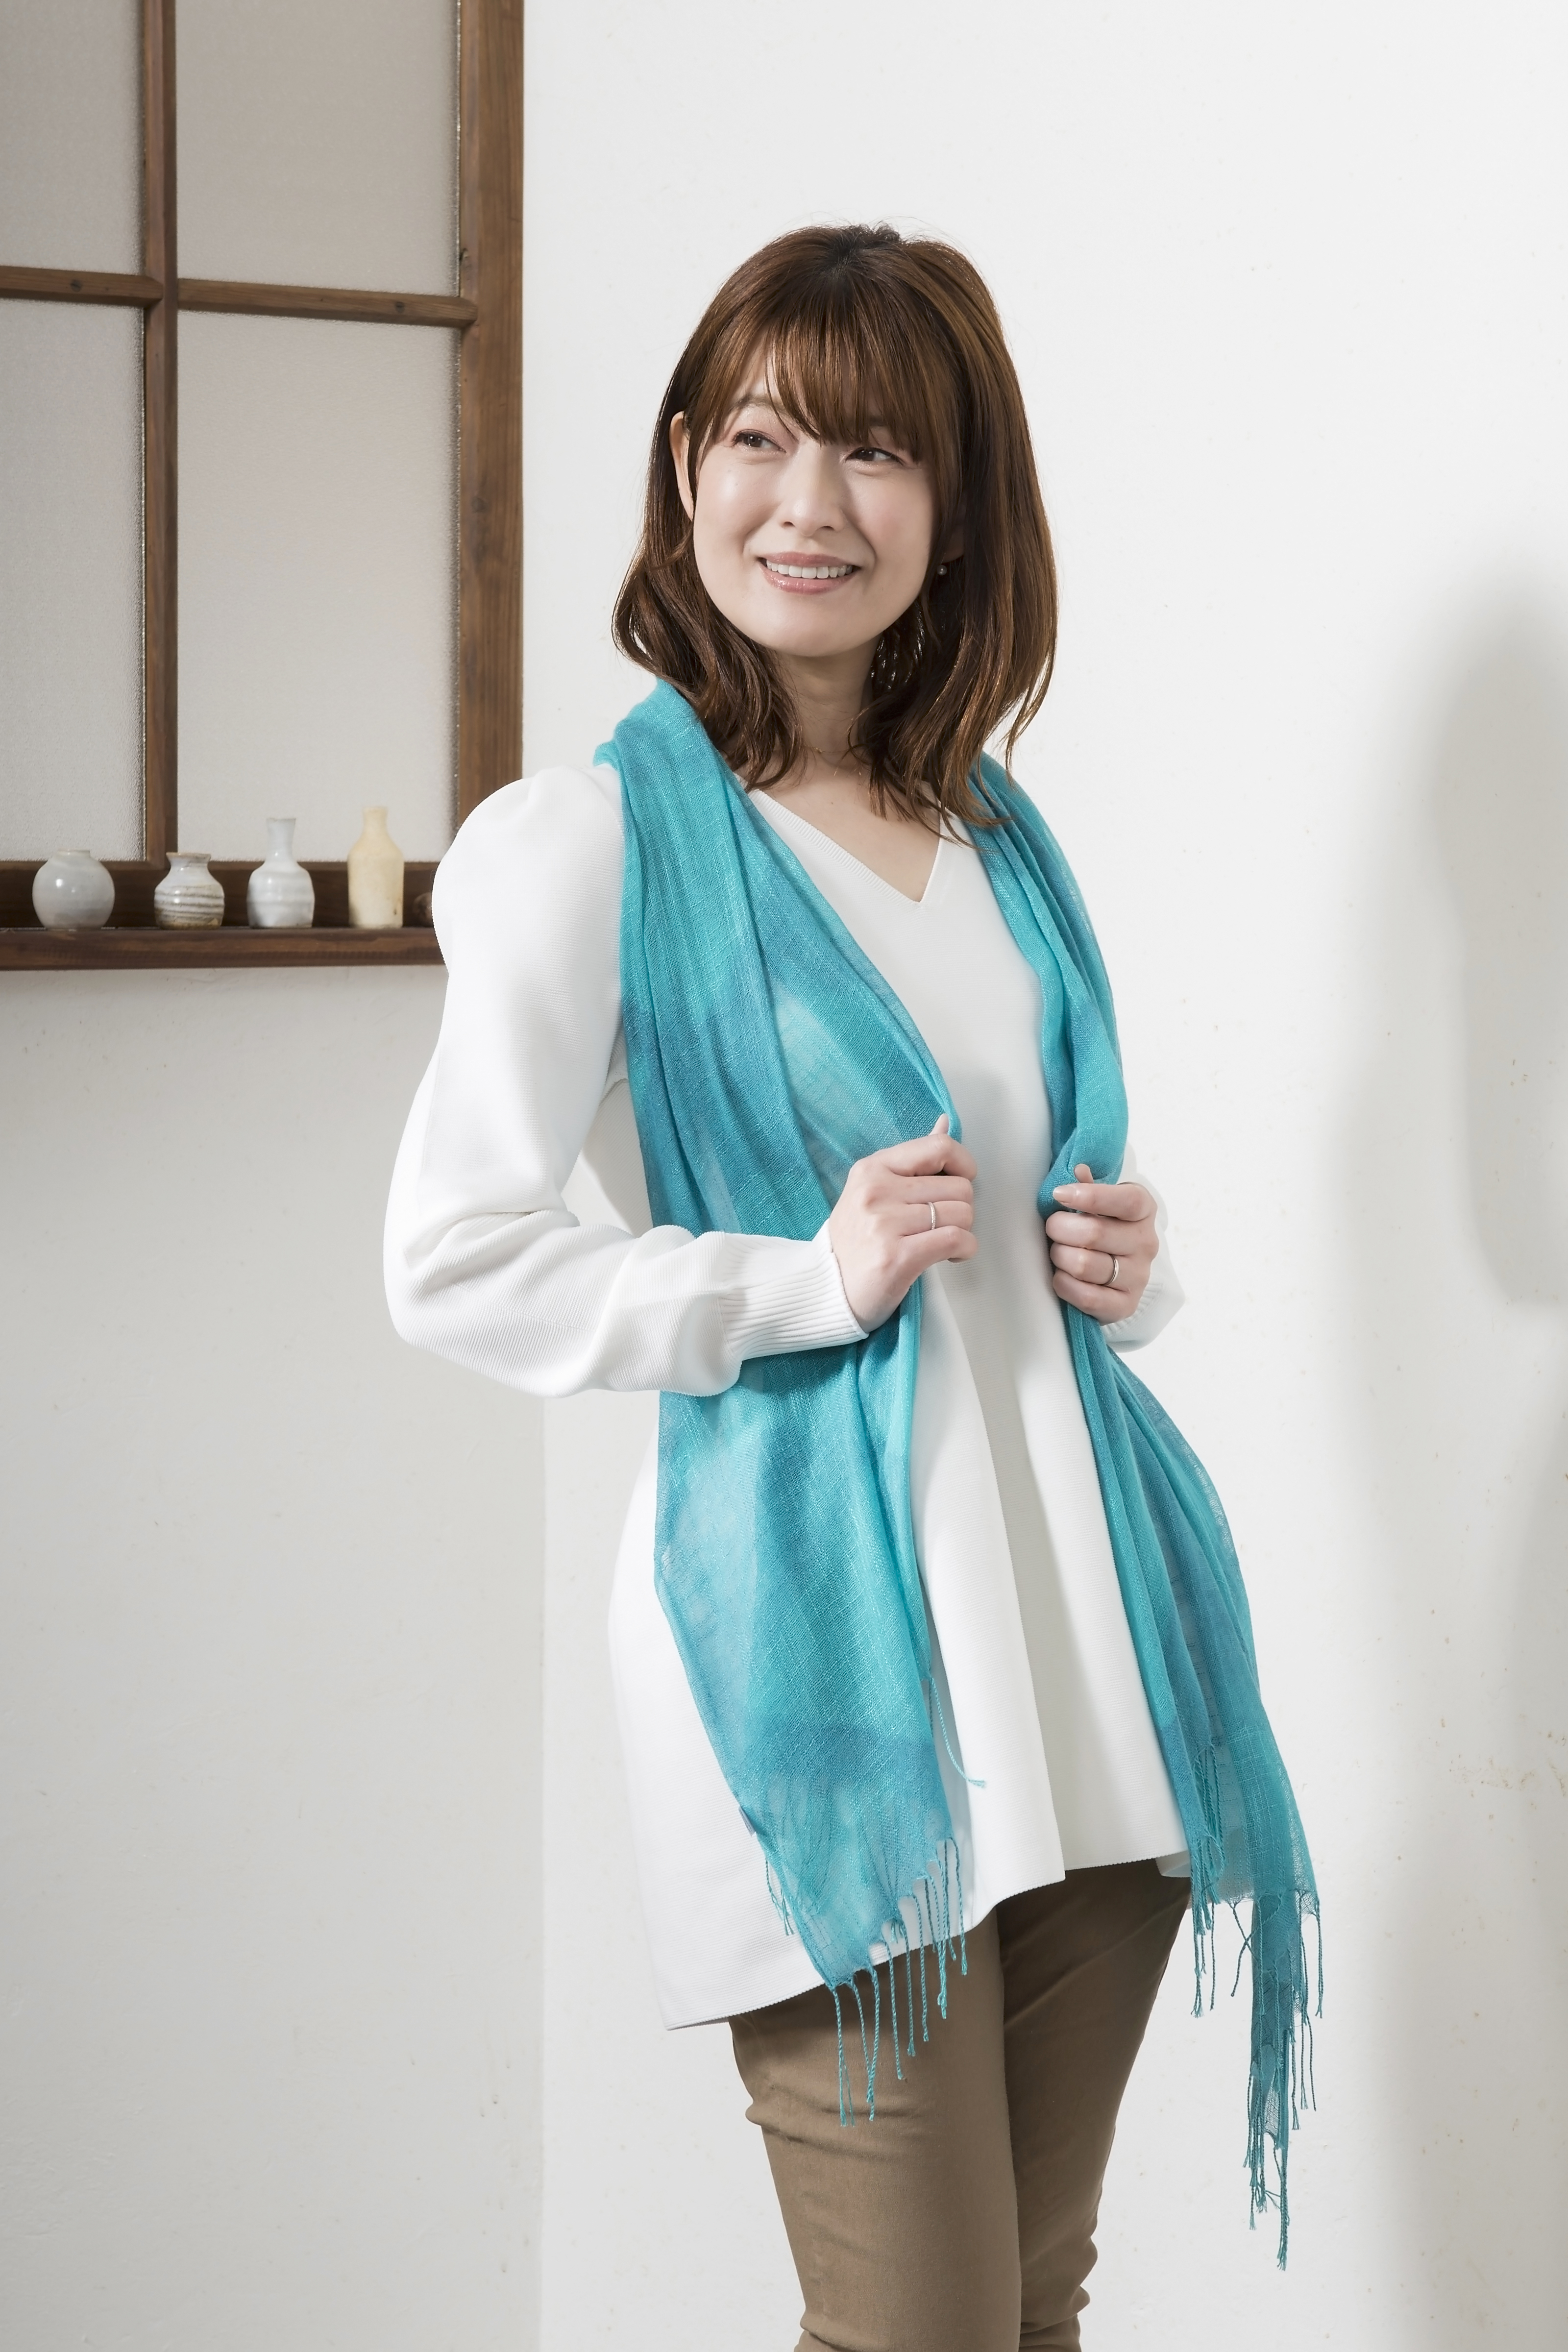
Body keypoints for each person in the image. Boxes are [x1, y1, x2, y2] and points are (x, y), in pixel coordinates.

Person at [385, 223, 1317, 2351]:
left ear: (955, 508)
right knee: (917, 2327)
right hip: (824, 1691)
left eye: (876, 452)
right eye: (757, 437)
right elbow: (453, 1257)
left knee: (1026, 2306)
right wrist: (798, 1281)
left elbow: (1016, 1232)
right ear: (683, 468)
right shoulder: (588, 844)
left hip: (1091, 1661)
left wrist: (1126, 1266)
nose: (807, 503)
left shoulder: (996, 837)